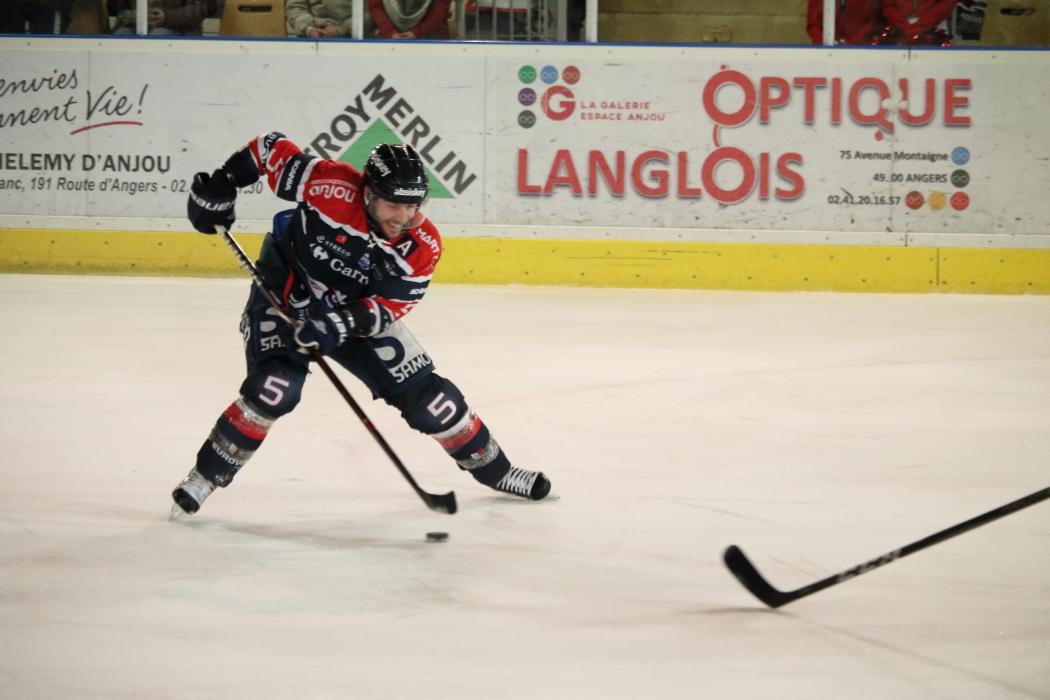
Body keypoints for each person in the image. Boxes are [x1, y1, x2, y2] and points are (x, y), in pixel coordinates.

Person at [173, 134, 552, 514]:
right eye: (393, 205)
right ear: (368, 194)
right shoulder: (330, 186)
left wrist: (337, 323)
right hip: (286, 294)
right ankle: (204, 477)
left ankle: (497, 471)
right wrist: (222, 184)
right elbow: (268, 149)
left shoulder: (422, 245)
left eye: (413, 206)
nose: (402, 217)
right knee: (274, 388)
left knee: (434, 402)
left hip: (355, 315)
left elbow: (390, 305)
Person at [110, 0, 216, 36]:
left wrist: (168, 17)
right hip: (133, 27)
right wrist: (129, 16)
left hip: (179, 29)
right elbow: (116, 9)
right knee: (120, 35)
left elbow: (199, 9)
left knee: (157, 36)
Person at [879, 0, 958, 44]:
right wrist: (901, 23)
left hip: (935, 30)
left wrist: (923, 24)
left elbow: (946, 4)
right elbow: (887, 5)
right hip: (896, 31)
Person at [807, 0, 885, 45]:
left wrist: (851, 43)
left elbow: (876, 21)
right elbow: (812, 24)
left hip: (864, 51)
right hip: (826, 54)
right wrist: (825, 44)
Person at [367, 0, 451, 39]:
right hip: (389, 32)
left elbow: (440, 11)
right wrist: (390, 32)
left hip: (429, 32)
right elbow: (375, 7)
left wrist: (418, 32)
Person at [286, 0, 356, 38]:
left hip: (350, 38)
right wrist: (309, 29)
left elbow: (361, 12)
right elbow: (294, 8)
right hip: (309, 38)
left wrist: (342, 29)